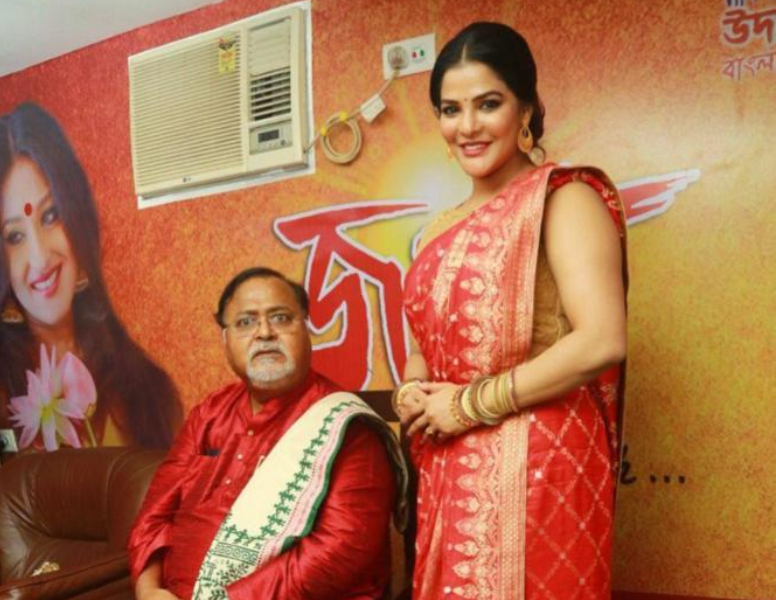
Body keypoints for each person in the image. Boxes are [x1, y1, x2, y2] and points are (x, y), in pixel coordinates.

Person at [396, 23, 628, 599]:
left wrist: (469, 405)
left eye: (488, 104)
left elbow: (601, 339)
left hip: (540, 464)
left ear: (525, 108)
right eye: (451, 110)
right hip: (449, 463)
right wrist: (412, 394)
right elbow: (423, 352)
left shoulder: (563, 199)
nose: (467, 126)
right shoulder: (436, 231)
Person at [128, 267, 406, 600]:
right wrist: (148, 590)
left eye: (281, 318)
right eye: (246, 322)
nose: (264, 333)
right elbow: (154, 513)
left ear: (305, 329)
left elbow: (340, 552)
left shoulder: (347, 427)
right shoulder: (209, 414)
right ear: (226, 340)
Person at [0, 102, 182, 450]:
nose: (40, 257)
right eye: (14, 236)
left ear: (77, 215)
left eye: (50, 216)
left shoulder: (147, 388)